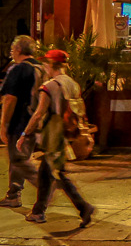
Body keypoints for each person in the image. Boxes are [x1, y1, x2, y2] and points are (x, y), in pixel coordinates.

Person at [17, 50, 95, 226]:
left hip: (54, 134)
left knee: (57, 173)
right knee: (47, 172)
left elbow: (38, 114)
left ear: (51, 65)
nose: (44, 66)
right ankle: (38, 211)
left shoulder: (49, 86)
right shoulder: (73, 84)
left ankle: (83, 206)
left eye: (46, 63)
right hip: (68, 134)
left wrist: (24, 134)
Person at [0, 36, 42, 208]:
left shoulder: (18, 69)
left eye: (12, 50)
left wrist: (3, 125)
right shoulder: (41, 68)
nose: (11, 53)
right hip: (38, 121)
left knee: (18, 159)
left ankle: (44, 185)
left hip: (20, 121)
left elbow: (10, 99)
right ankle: (14, 193)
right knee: (21, 158)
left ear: (18, 50)